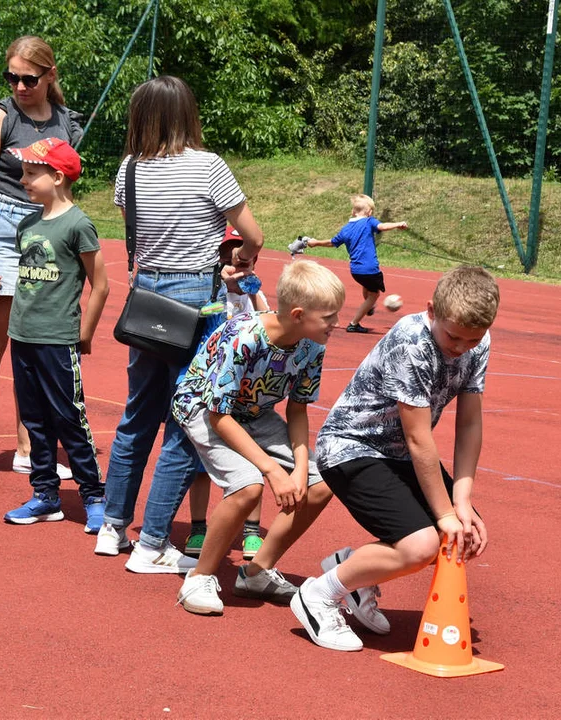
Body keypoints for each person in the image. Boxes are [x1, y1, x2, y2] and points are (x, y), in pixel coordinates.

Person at [92, 76, 264, 574]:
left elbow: (133, 223)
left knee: (137, 415)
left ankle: (112, 525)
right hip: (197, 299)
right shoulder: (208, 166)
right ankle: (153, 541)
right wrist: (240, 261)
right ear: (188, 114)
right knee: (188, 422)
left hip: (147, 298)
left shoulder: (129, 169)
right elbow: (251, 233)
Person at [293, 266, 499, 652]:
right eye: (454, 336)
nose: (461, 347)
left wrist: (463, 501)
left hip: (399, 454)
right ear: (432, 311)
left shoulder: (478, 342)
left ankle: (356, 568)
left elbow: (470, 423)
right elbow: (419, 438)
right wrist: (445, 514)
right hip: (352, 448)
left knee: (464, 535)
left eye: (472, 340)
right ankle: (318, 594)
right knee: (423, 544)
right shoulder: (412, 341)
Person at [175, 260, 345, 615]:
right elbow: (219, 415)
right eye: (329, 316)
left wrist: (298, 470)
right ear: (298, 314)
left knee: (320, 482)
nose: (336, 323)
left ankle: (255, 572)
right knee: (247, 485)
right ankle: (199, 577)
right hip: (204, 409)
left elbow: (297, 410)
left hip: (255, 412)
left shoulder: (312, 344)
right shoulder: (245, 337)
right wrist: (272, 470)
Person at [0, 36, 83, 484]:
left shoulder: (66, 123)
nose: (18, 86)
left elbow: (65, 190)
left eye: (28, 79)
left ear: (50, 76)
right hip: (0, 228)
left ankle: (30, 448)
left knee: (37, 348)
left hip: (48, 235)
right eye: (11, 77)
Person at [1, 138, 110, 531]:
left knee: (69, 417)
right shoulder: (28, 224)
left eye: (32, 173)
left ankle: (94, 496)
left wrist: (84, 333)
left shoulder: (78, 224)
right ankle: (45, 495)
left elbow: (101, 284)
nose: (24, 179)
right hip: (23, 336)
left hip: (58, 339)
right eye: (24, 172)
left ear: (58, 177)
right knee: (34, 419)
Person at [183, 226, 270, 562]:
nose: (236, 256)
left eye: (243, 251)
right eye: (229, 250)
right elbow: (204, 315)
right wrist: (223, 284)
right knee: (200, 464)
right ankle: (199, 525)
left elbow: (266, 316)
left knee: (251, 458)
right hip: (209, 383)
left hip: (245, 388)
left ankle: (251, 531)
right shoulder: (212, 287)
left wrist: (249, 285)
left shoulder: (252, 290)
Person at [287, 194, 408, 334]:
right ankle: (354, 324)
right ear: (369, 212)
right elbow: (383, 226)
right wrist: (398, 224)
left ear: (353, 212)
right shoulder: (369, 222)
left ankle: (368, 307)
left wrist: (315, 243)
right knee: (374, 295)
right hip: (369, 269)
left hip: (356, 270)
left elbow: (331, 242)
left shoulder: (346, 229)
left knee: (367, 286)